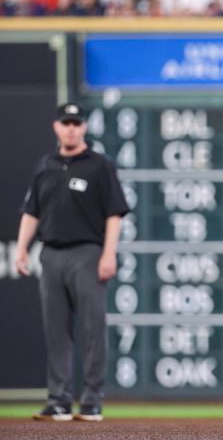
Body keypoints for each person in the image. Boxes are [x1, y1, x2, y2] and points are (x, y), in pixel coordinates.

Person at [15, 103, 130, 422]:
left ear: (83, 128)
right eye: (66, 122)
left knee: (93, 329)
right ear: (56, 127)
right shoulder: (45, 166)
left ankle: (92, 400)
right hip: (51, 253)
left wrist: (109, 253)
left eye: (76, 123)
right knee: (56, 330)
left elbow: (114, 214)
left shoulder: (99, 165)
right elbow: (31, 211)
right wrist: (22, 248)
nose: (71, 128)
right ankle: (59, 400)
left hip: (87, 253)